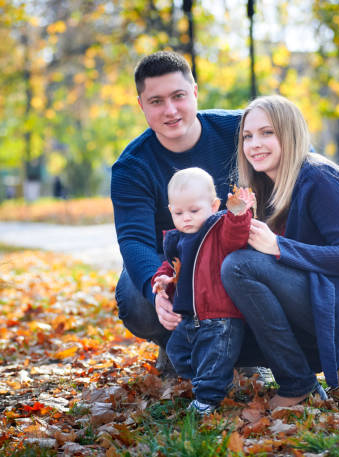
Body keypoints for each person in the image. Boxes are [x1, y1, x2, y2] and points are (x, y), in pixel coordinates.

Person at [220, 95, 339, 410]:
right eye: (247, 136)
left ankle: (298, 385)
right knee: (233, 276)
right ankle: (329, 365)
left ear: (289, 134)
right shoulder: (265, 188)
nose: (254, 144)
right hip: (323, 295)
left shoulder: (319, 177)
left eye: (267, 133)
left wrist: (278, 246)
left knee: (239, 268)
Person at [110, 50, 244, 374]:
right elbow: (134, 240)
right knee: (134, 297)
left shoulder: (239, 131)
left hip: (238, 253)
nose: (170, 110)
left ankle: (243, 353)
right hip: (173, 263)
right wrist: (156, 289)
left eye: (178, 96)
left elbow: (295, 149)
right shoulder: (132, 167)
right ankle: (172, 343)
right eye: (156, 101)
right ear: (141, 105)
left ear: (195, 92)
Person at [152, 168, 255, 415]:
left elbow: (236, 238)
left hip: (220, 315)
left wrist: (239, 213)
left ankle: (208, 399)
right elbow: (170, 266)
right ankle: (218, 381)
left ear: (213, 204)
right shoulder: (176, 240)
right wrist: (162, 279)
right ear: (171, 211)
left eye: (194, 211)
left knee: (214, 357)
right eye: (179, 212)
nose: (186, 217)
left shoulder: (218, 229)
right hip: (189, 317)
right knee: (177, 351)